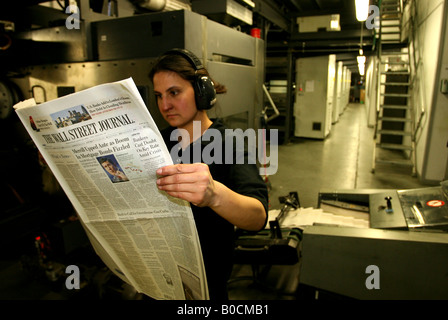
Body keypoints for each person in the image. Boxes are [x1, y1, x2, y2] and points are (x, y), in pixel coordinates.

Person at [149, 49, 268, 300]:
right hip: (157, 278)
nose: (165, 105)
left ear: (203, 93)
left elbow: (258, 217)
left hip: (205, 287)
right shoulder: (153, 141)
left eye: (174, 92)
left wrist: (214, 195)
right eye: (159, 96)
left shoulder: (230, 143)